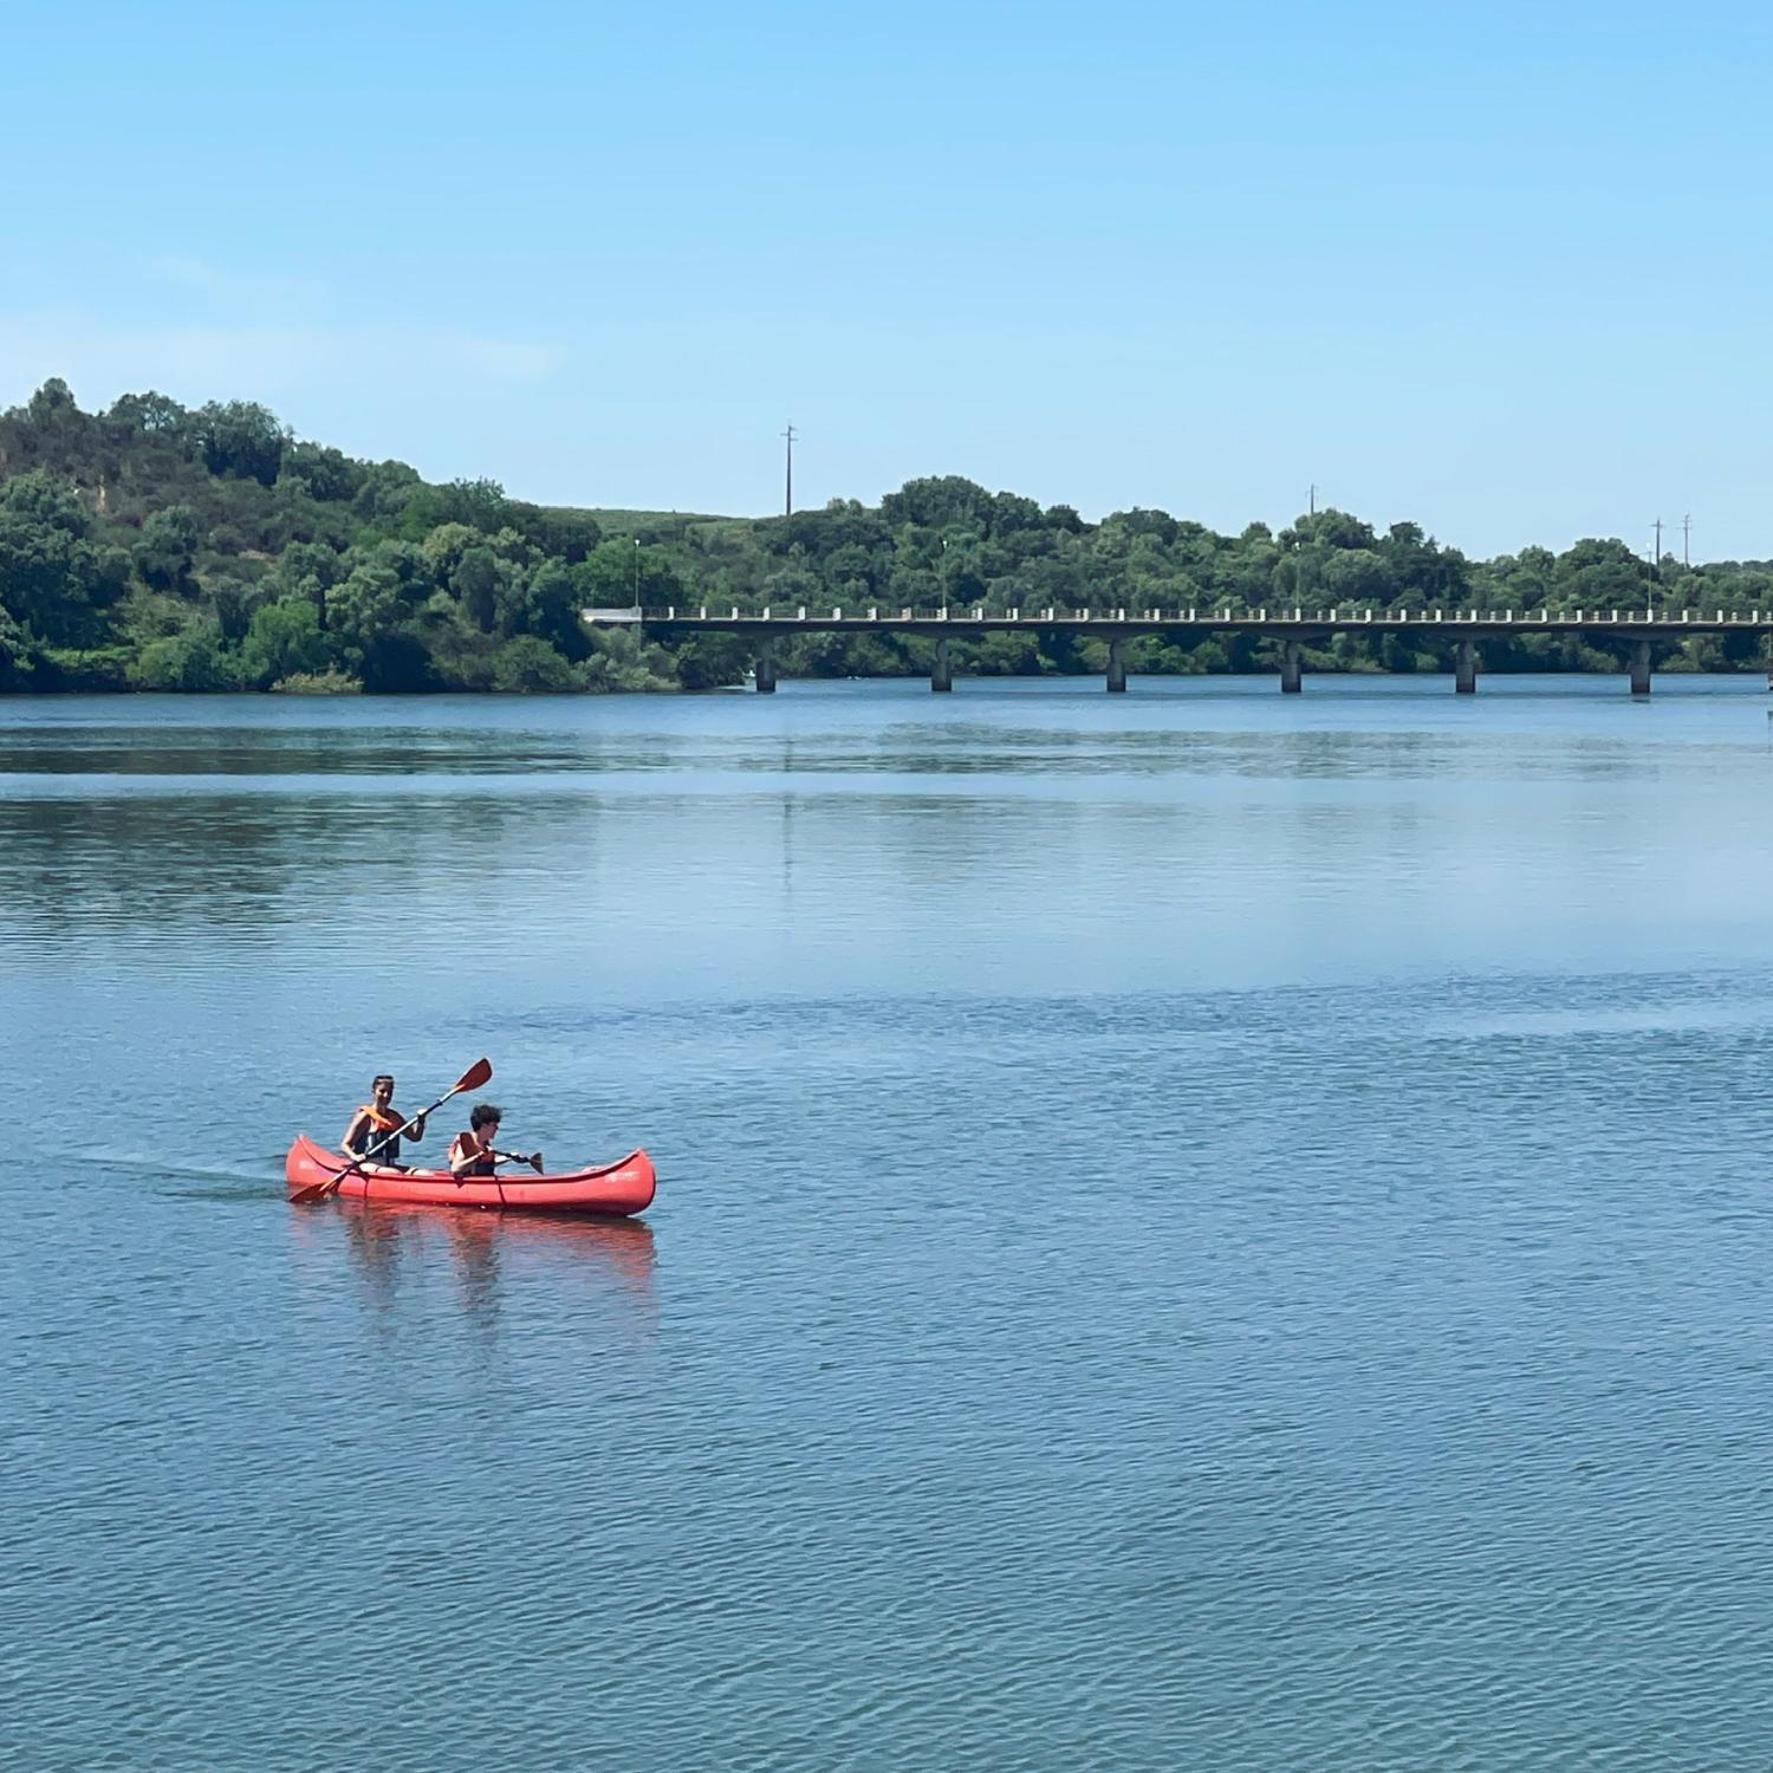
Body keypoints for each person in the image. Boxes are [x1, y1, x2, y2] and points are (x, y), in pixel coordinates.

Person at [342, 1074, 427, 1172]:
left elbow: (415, 1137)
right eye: (382, 1091)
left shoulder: (394, 1117)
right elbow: (345, 1145)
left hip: (389, 1166)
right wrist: (354, 1156)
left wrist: (421, 1120)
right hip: (366, 1165)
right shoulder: (365, 1117)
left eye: (389, 1092)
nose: (386, 1095)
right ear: (374, 1092)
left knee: (425, 1173)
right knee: (394, 1173)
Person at [450, 1103, 542, 1177]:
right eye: (494, 1125)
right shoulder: (467, 1141)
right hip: (471, 1187)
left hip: (484, 1183)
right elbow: (455, 1169)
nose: (497, 1128)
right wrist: (478, 1156)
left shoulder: (484, 1142)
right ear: (484, 1126)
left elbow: (486, 1165)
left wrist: (509, 1157)